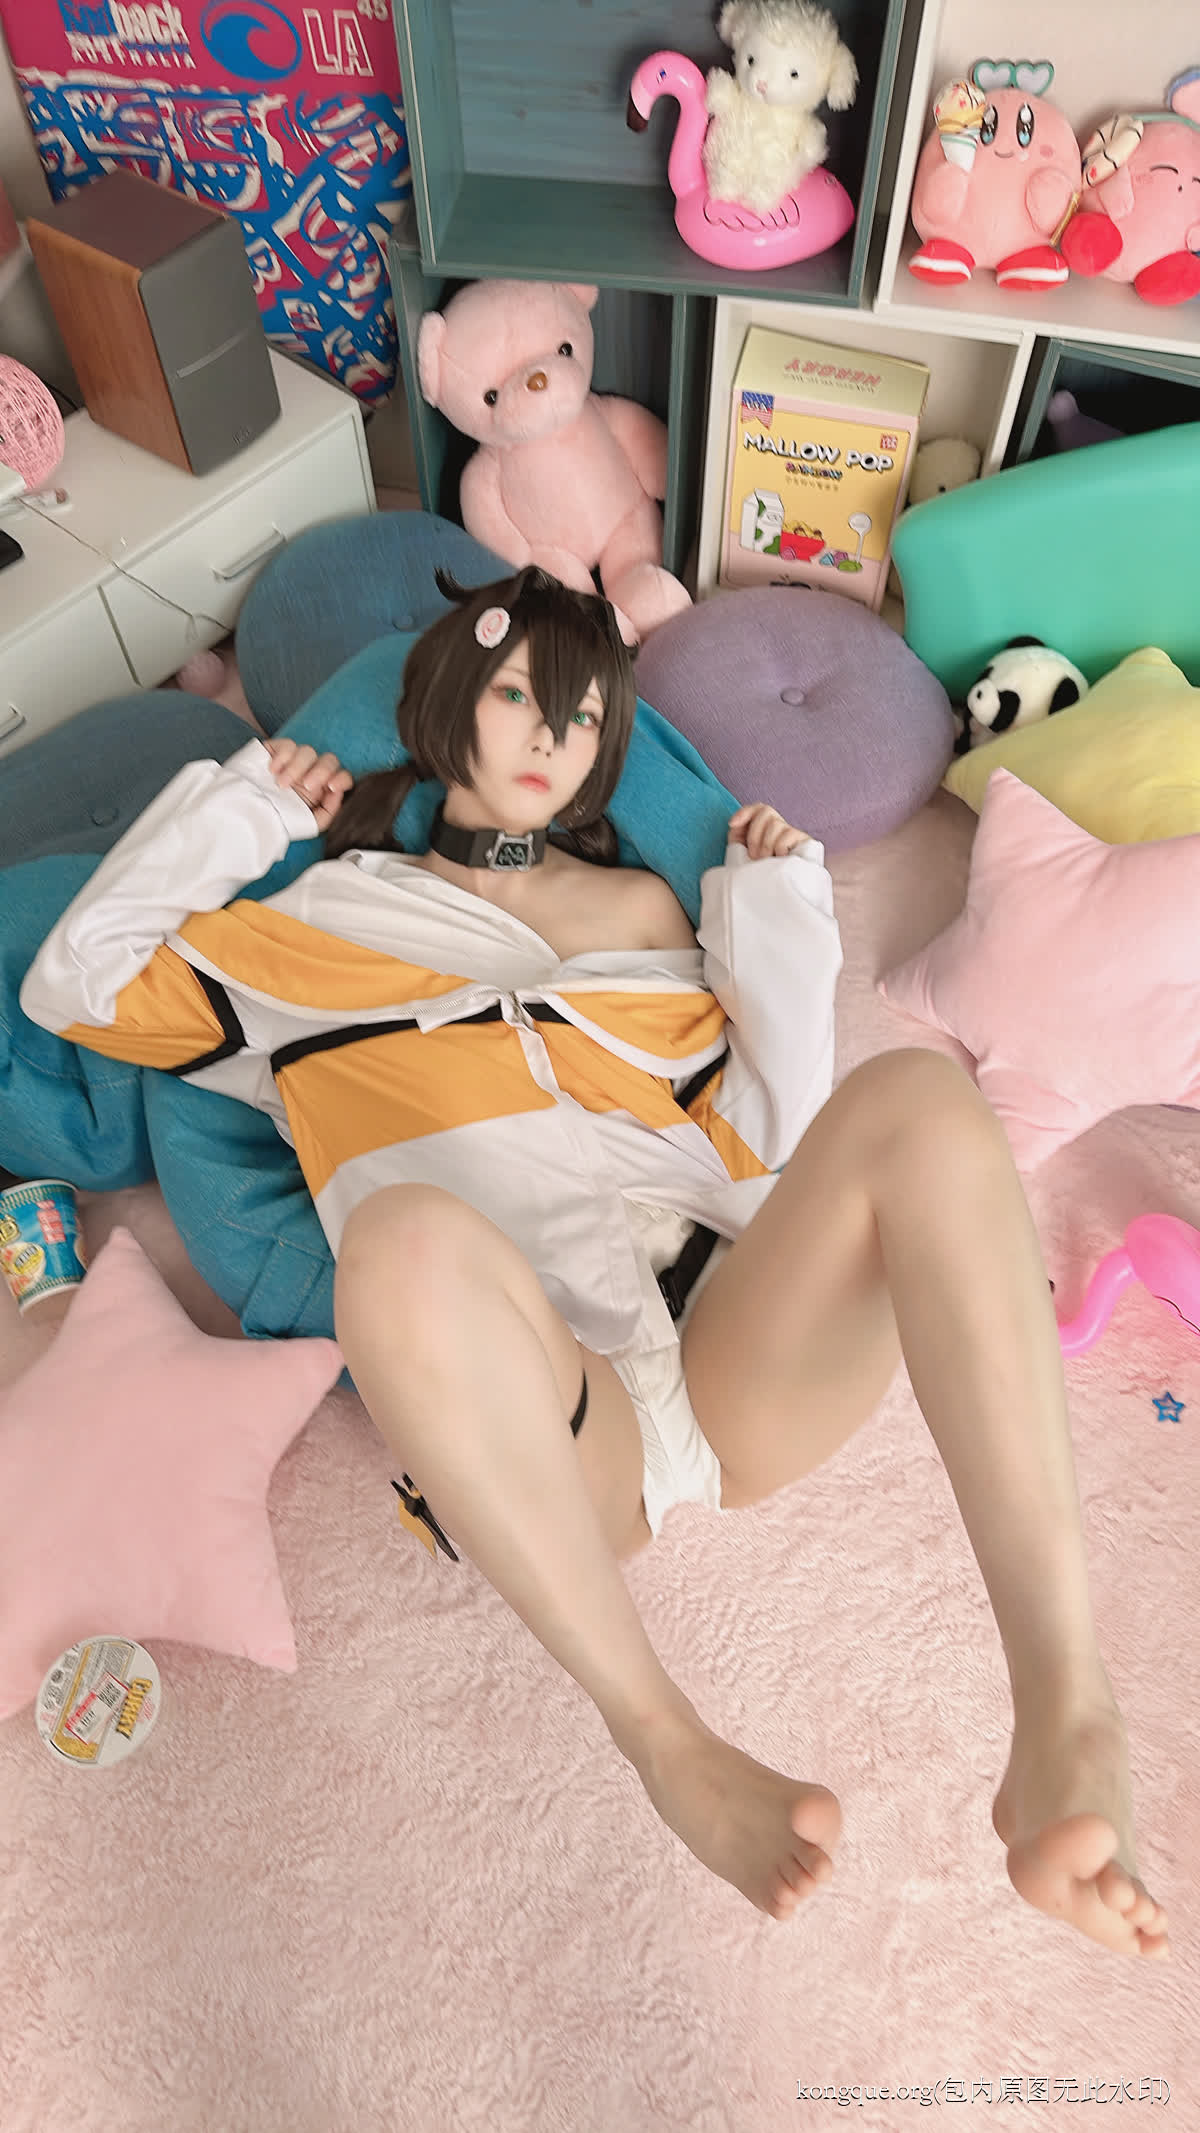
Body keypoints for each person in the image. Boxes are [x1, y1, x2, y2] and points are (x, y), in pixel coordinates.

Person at [19, 567, 1167, 1960]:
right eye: (518, 694)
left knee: (920, 1098)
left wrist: (773, 912)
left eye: (578, 716)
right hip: (556, 1421)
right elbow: (73, 982)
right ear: (444, 706)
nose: (547, 734)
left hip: (739, 1345)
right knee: (395, 1242)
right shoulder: (306, 931)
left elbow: (773, 1132)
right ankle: (665, 1739)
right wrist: (245, 811)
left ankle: (1066, 1706)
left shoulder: (641, 912)